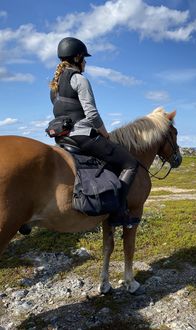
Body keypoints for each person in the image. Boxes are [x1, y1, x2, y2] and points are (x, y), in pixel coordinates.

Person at [49, 37, 138, 220]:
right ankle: (119, 212)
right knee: (130, 163)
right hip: (82, 136)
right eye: (85, 59)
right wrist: (104, 133)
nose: (86, 63)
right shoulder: (79, 80)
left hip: (62, 138)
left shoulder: (54, 87)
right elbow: (92, 113)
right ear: (78, 58)